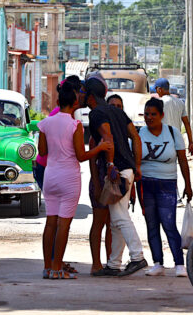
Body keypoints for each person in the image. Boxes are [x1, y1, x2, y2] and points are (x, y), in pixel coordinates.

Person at [38, 82, 112, 279]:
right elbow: (81, 156)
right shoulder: (75, 125)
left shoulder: (45, 123)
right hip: (68, 177)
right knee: (64, 224)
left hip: (50, 176)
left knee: (50, 223)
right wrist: (99, 148)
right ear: (73, 103)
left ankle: (47, 267)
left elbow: (42, 152)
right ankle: (56, 268)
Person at [84, 75, 147, 277]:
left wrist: (110, 164)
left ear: (91, 96)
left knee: (120, 217)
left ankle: (137, 257)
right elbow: (135, 137)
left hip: (116, 170)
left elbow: (107, 138)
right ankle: (114, 264)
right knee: (115, 220)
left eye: (84, 93)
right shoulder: (118, 112)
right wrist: (136, 165)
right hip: (127, 168)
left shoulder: (96, 114)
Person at [137, 98, 192, 277]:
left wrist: (188, 185)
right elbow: (134, 162)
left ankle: (179, 263)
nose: (149, 117)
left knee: (168, 223)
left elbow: (183, 160)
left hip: (167, 184)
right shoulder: (139, 134)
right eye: (146, 114)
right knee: (151, 224)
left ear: (161, 115)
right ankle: (158, 263)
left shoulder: (172, 132)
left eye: (153, 114)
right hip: (145, 184)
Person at [154, 78, 193, 156]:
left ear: (159, 89)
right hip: (176, 141)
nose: (156, 92)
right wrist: (191, 142)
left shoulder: (159, 103)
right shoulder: (180, 102)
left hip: (162, 141)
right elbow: (187, 124)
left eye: (156, 89)